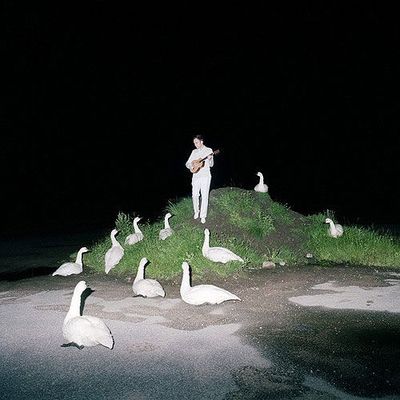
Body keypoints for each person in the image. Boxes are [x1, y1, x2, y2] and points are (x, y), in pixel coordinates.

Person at [185, 134, 214, 224]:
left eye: (197, 142)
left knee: (204, 195)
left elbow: (211, 164)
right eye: (194, 143)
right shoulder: (194, 152)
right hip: (196, 176)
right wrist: (192, 165)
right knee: (195, 195)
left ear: (201, 141)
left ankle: (203, 216)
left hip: (205, 176)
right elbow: (187, 163)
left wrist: (209, 159)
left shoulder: (208, 150)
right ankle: (196, 212)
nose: (195, 144)